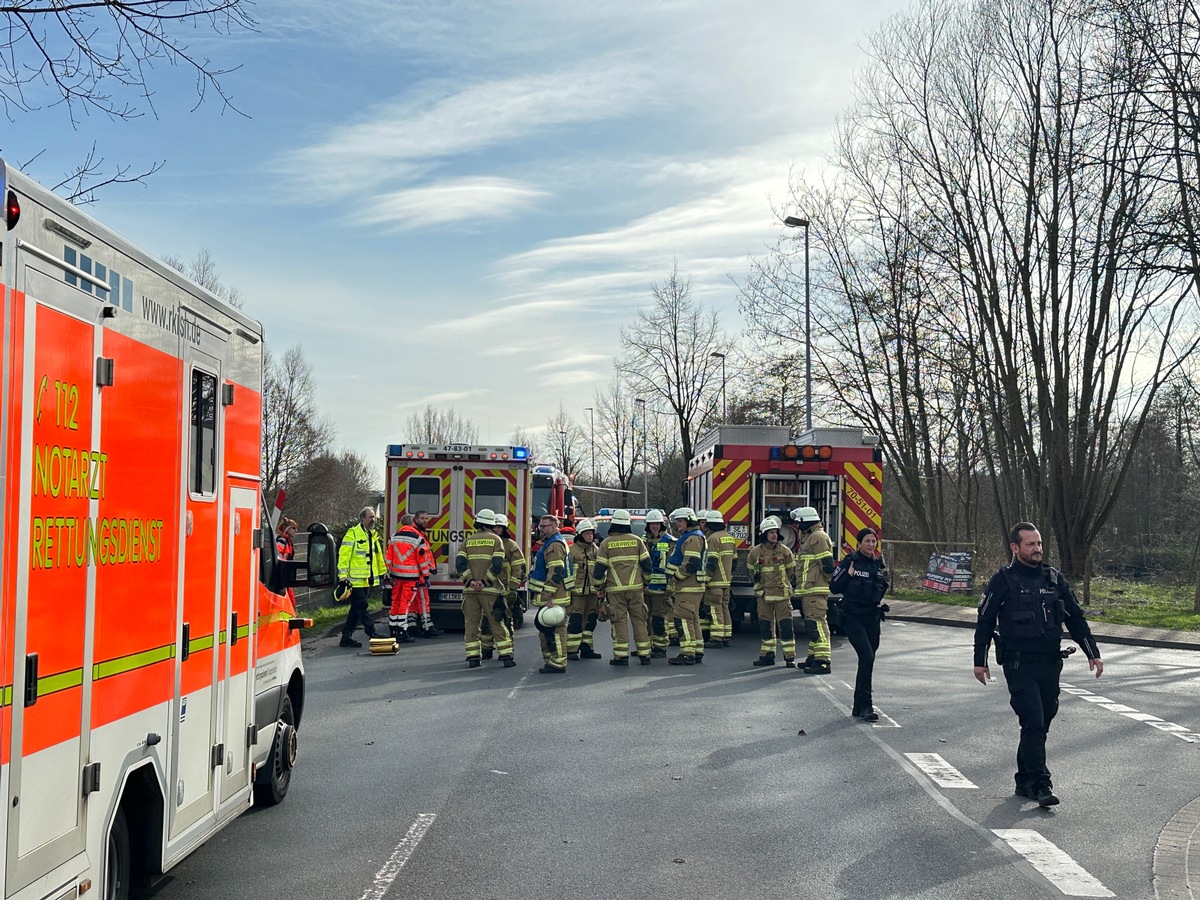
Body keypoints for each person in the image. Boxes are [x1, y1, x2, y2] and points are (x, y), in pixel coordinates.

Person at [974, 523, 1103, 808]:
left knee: (1041, 724)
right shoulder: (1003, 581)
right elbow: (984, 621)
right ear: (1015, 547)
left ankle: (1024, 780)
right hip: (1019, 663)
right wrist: (980, 662)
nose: (1037, 549)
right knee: (1032, 720)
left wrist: (1092, 652)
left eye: (1040, 544)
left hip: (1050, 663)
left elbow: (1076, 619)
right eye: (1031, 544)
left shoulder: (1054, 579)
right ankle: (1041, 784)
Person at [831, 528, 890, 720]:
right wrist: (848, 574)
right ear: (859, 543)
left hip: (872, 617)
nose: (871, 544)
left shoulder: (878, 563)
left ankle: (858, 705)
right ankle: (866, 705)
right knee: (866, 656)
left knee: (869, 659)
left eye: (874, 541)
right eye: (867, 541)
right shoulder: (851, 561)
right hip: (852, 616)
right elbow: (834, 586)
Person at [454, 509, 513, 668]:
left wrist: (471, 581)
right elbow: (498, 565)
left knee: (471, 623)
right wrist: (485, 581)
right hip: (490, 591)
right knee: (497, 622)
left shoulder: (467, 541)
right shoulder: (496, 541)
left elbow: (460, 565)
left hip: (470, 591)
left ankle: (473, 658)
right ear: (492, 524)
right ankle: (506, 656)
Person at [594, 509, 654, 665]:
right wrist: (646, 582)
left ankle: (621, 656)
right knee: (639, 620)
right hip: (636, 589)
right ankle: (645, 654)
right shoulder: (637, 541)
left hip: (615, 591)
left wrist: (598, 587)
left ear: (613, 524)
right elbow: (647, 566)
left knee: (619, 621)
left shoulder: (606, 543)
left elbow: (599, 569)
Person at [746, 516, 797, 667]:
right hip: (763, 596)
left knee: (786, 626)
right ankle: (767, 655)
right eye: (771, 532)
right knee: (765, 626)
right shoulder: (754, 553)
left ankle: (789, 657)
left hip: (782, 595)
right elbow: (751, 573)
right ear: (764, 534)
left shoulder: (785, 552)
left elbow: (790, 572)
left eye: (775, 532)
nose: (774, 535)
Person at [528, 514, 574, 674]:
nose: (540, 529)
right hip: (552, 594)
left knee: (555, 631)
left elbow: (555, 571)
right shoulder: (549, 543)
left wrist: (549, 593)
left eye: (544, 526)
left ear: (555, 526)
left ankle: (558, 662)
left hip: (554, 595)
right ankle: (551, 660)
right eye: (540, 526)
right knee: (547, 630)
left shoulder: (554, 544)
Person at [792, 506, 835, 674]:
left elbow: (827, 565)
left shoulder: (818, 537)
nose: (797, 526)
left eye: (799, 523)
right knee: (812, 625)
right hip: (809, 590)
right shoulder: (811, 538)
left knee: (817, 624)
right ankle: (813, 656)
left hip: (815, 590)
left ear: (806, 522)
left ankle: (823, 661)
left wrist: (823, 582)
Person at [337, 506, 387, 648]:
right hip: (354, 581)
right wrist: (342, 575)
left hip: (366, 580)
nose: (373, 519)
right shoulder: (353, 533)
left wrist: (384, 573)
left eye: (373, 516)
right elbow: (344, 556)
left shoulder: (372, 535)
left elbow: (378, 557)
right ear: (363, 518)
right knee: (362, 606)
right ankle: (371, 632)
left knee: (355, 610)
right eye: (370, 517)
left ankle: (346, 638)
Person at [665, 507, 707, 666]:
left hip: (688, 586)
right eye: (677, 521)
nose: (678, 524)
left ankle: (687, 653)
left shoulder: (692, 539)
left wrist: (676, 577)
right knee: (692, 618)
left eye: (680, 521)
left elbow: (691, 564)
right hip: (692, 586)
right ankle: (696, 650)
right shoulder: (692, 537)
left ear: (689, 521)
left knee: (682, 619)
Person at [385, 514, 433, 643]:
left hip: (395, 577)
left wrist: (385, 574)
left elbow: (388, 558)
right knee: (405, 604)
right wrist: (426, 576)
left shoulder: (393, 538)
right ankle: (401, 631)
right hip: (410, 578)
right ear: (412, 523)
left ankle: (393, 629)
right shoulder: (418, 539)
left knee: (395, 602)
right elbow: (422, 561)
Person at [567, 518, 603, 660]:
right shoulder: (572, 550)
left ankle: (587, 648)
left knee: (591, 620)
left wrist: (602, 588)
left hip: (593, 592)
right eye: (587, 533)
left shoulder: (596, 550)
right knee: (576, 620)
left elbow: (602, 569)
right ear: (580, 534)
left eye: (591, 533)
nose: (590, 536)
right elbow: (567, 571)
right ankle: (571, 650)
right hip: (577, 593)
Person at [643, 509, 677, 657]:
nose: (655, 527)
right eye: (652, 524)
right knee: (644, 619)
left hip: (662, 589)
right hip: (645, 588)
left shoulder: (669, 541)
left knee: (658, 619)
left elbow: (673, 564)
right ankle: (646, 646)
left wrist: (671, 586)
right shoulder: (642, 541)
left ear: (662, 525)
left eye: (657, 524)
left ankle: (660, 647)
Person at [703, 509, 737, 648]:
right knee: (724, 608)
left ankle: (716, 638)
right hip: (726, 582)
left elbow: (711, 562)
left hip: (715, 582)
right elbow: (735, 561)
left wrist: (705, 578)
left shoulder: (712, 539)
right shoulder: (729, 537)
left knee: (714, 609)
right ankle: (726, 635)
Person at [410, 509, 441, 637]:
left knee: (413, 601)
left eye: (426, 518)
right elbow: (423, 556)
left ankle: (411, 626)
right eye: (422, 518)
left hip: (412, 574)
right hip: (419, 575)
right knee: (423, 600)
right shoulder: (418, 535)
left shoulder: (418, 533)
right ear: (416, 519)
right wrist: (427, 572)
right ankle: (428, 627)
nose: (425, 521)